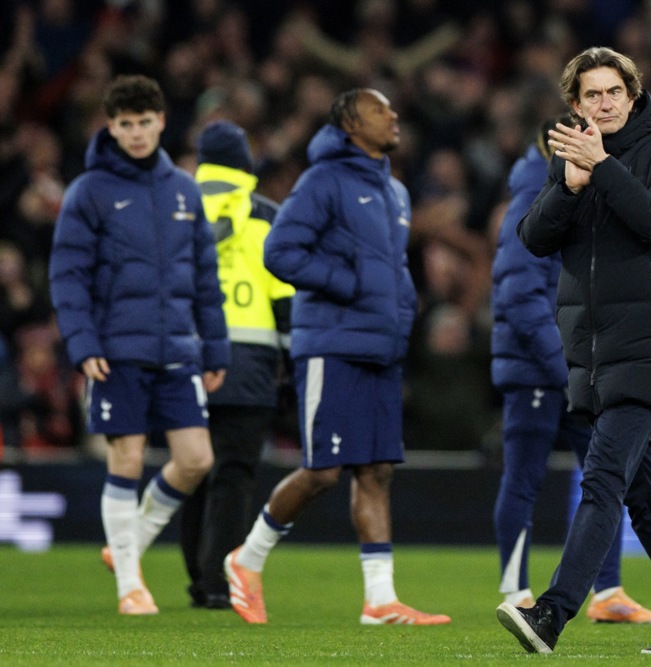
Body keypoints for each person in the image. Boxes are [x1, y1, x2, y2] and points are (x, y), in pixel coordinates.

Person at [496, 46, 651, 655]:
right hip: (593, 355)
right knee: (644, 498)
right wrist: (570, 187)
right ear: (576, 105)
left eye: (614, 92)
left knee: (600, 482)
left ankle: (552, 613)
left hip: (648, 346)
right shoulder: (569, 160)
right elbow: (532, 237)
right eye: (591, 95)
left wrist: (602, 168)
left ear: (633, 95)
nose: (604, 104)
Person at [223, 88, 450, 626]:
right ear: (350, 125)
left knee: (376, 470)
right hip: (332, 344)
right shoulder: (322, 181)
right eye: (379, 110)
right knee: (323, 471)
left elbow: (392, 268)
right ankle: (246, 559)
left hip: (380, 347)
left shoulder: (395, 191)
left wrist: (402, 310)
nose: (393, 115)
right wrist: (345, 284)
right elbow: (279, 251)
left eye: (392, 107)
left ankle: (380, 600)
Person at [48, 74, 229, 615]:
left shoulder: (184, 190)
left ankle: (130, 541)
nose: (136, 133)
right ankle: (130, 583)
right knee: (125, 458)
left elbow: (205, 278)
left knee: (196, 460)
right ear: (110, 126)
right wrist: (83, 343)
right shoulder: (89, 192)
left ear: (161, 122)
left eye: (144, 122)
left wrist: (215, 348)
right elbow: (68, 275)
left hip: (177, 349)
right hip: (115, 351)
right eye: (125, 124)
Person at [491, 116, 651, 624]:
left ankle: (607, 592)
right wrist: (565, 365)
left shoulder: (575, 189)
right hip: (539, 368)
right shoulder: (534, 192)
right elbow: (520, 296)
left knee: (605, 478)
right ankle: (516, 591)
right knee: (524, 478)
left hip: (579, 367)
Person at [177, 120, 295, 610]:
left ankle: (197, 577)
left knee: (192, 469)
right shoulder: (265, 215)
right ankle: (218, 580)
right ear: (244, 162)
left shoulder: (178, 210)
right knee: (235, 473)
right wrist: (290, 358)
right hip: (250, 362)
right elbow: (284, 296)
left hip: (186, 358)